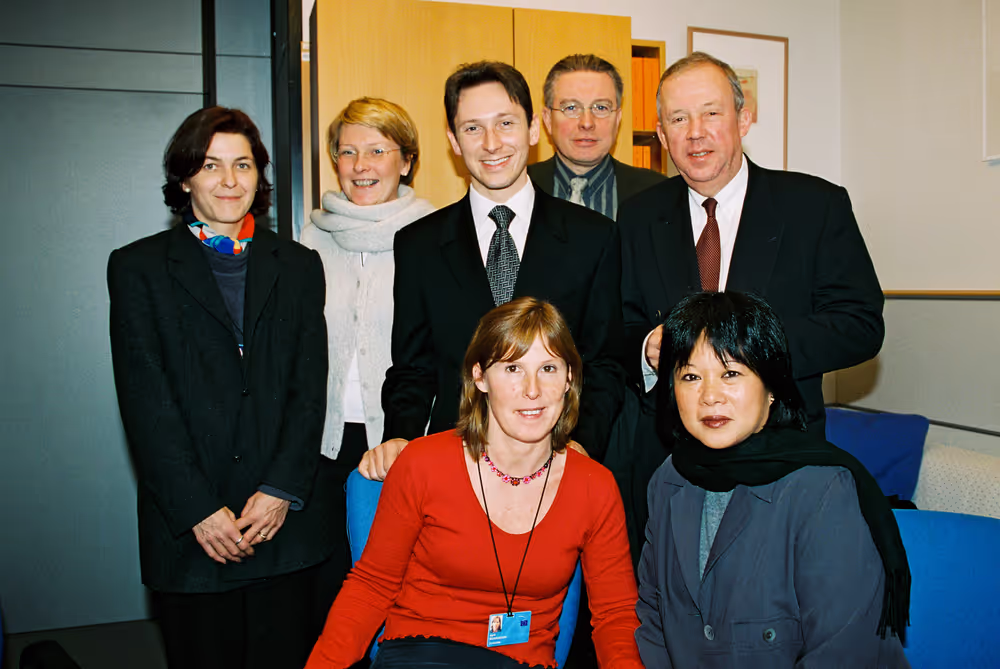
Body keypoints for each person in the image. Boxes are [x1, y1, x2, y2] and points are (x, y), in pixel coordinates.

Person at [618, 51, 884, 551]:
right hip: (670, 462)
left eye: (711, 112)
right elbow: (619, 324)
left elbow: (860, 324)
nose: (695, 132)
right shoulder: (638, 216)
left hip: (783, 456)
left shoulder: (814, 206)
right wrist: (648, 349)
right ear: (661, 134)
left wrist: (745, 347)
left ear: (744, 117)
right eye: (678, 118)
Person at [108, 107, 332, 669]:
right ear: (185, 178)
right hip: (192, 530)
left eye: (243, 164)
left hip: (279, 524)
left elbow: (309, 389)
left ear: (260, 176)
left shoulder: (300, 265)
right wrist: (197, 509)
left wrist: (282, 489)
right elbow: (144, 401)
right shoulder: (138, 268)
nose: (230, 181)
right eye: (211, 166)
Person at [307, 298, 643, 669]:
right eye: (513, 368)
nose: (532, 389)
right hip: (420, 656)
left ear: (569, 380)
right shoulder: (423, 463)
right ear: (480, 377)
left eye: (548, 368)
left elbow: (616, 616)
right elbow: (370, 589)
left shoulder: (594, 486)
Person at [367, 60, 625, 478]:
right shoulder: (418, 244)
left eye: (506, 123)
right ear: (453, 139)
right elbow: (412, 368)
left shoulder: (594, 238)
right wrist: (400, 435)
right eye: (472, 128)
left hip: (556, 463)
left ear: (534, 129)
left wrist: (581, 444)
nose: (491, 143)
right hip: (454, 463)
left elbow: (605, 362)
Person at [636, 291, 910, 668]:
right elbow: (652, 619)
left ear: (771, 388)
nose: (710, 396)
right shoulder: (668, 478)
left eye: (731, 373)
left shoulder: (823, 490)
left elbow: (841, 653)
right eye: (690, 376)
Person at [300, 97, 434, 604]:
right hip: (323, 444)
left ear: (407, 161)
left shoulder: (436, 236)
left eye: (378, 150)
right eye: (348, 151)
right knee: (331, 588)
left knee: (403, 584)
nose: (361, 166)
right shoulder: (310, 240)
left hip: (407, 440)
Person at [528, 54, 665, 219]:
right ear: (548, 119)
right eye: (571, 108)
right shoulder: (516, 188)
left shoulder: (657, 193)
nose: (586, 123)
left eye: (601, 107)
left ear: (618, 119)